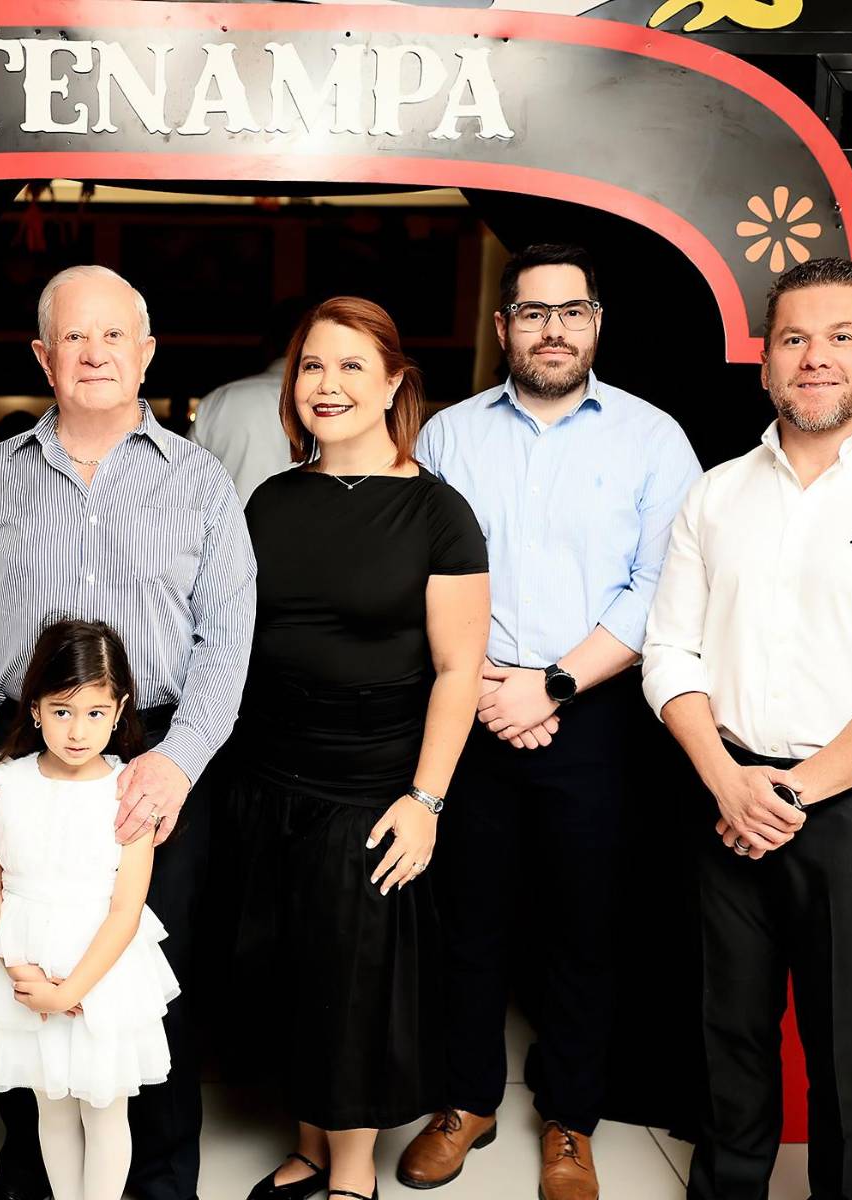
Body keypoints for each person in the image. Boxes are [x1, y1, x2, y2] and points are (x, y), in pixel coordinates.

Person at [642, 257, 852, 1200]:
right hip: (724, 795)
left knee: (846, 1044)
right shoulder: (715, 494)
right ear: (765, 362)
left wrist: (790, 792)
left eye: (840, 337)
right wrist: (728, 781)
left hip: (850, 810)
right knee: (727, 1033)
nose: (814, 357)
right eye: (793, 338)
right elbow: (668, 653)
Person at [0, 264, 256, 1200]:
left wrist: (179, 761)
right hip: (23, 751)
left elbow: (227, 635)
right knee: (29, 952)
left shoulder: (199, 480)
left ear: (146, 352)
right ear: (43, 357)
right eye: (73, 337)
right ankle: (34, 1176)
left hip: (154, 747)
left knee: (152, 975)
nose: (94, 353)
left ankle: (155, 1180)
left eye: (113, 335)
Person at [409, 244, 702, 1200]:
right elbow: (423, 570)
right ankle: (465, 1101)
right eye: (533, 313)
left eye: (570, 312)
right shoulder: (449, 435)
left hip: (599, 716)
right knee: (466, 922)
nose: (552, 330)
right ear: (503, 328)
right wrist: (490, 686)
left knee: (585, 928)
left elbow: (662, 584)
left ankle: (570, 1119)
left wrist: (555, 685)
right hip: (472, 706)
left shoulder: (652, 439)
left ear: (596, 324)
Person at [216, 297, 490, 1200]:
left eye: (348, 367)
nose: (325, 385)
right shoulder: (270, 500)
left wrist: (426, 800)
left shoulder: (438, 512)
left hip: (373, 783)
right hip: (267, 775)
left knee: (353, 980)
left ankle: (351, 1173)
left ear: (392, 384)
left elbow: (458, 670)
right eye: (310, 366)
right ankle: (307, 1143)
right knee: (290, 969)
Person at [0, 618, 179, 1200]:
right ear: (35, 709)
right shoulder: (1, 782)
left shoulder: (130, 789)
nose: (78, 730)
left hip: (102, 970)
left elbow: (127, 907)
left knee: (105, 1111)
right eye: (62, 711)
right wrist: (23, 973)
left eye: (95, 712)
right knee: (53, 1107)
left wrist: (72, 991)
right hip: (27, 963)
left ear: (120, 710)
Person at [188, 299, 303, 502]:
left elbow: (185, 483)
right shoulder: (333, 404)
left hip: (231, 521)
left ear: (267, 344)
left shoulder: (219, 401)